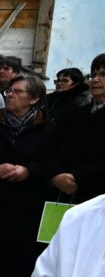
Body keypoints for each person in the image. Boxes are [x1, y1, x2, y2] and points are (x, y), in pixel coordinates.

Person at [0, 76, 51, 277]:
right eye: (9, 91)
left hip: (27, 200)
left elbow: (51, 161)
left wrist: (28, 170)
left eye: (17, 92)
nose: (10, 95)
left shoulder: (47, 127)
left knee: (18, 255)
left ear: (34, 99)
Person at [44, 55, 105, 205]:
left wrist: (77, 178)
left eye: (103, 74)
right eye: (93, 75)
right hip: (63, 196)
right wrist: (55, 175)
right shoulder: (75, 114)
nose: (95, 80)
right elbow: (50, 148)